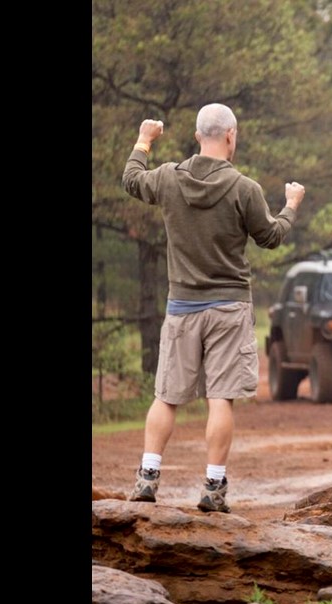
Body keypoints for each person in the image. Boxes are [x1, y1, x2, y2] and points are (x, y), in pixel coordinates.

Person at [122, 103, 306, 513]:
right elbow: (271, 237)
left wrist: (144, 140)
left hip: (182, 305)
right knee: (220, 397)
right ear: (230, 136)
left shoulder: (169, 178)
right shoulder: (244, 189)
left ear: (197, 136)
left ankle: (148, 478)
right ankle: (213, 487)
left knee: (167, 396)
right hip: (228, 307)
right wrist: (291, 206)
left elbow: (131, 179)